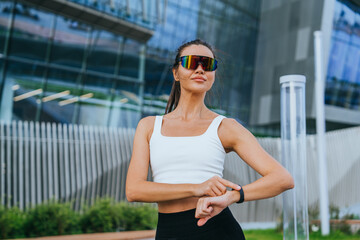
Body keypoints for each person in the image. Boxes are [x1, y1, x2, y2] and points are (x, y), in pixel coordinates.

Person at [126, 39, 294, 240]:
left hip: (217, 231)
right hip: (168, 232)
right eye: (191, 62)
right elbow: (134, 190)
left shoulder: (225, 127)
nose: (199, 69)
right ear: (175, 73)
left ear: (213, 74)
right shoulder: (149, 126)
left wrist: (233, 196)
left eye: (207, 64)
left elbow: (282, 178)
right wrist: (196, 187)